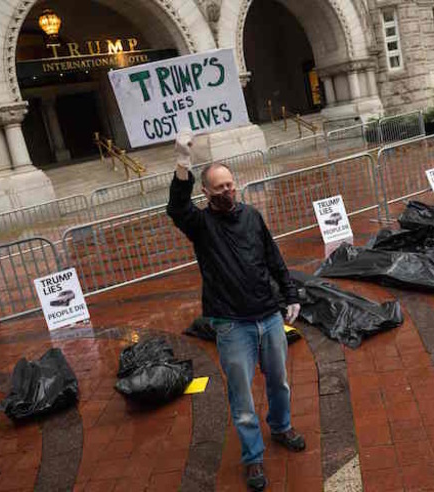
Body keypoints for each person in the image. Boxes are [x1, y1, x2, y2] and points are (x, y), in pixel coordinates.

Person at [167, 130, 305, 491]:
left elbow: (273, 258)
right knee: (242, 399)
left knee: (279, 382)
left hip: (269, 316)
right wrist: (183, 162)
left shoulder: (252, 216)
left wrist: (290, 294)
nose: (228, 191)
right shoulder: (201, 225)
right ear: (207, 193)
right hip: (232, 326)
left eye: (230, 184)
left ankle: (281, 427)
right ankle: (253, 458)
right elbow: (176, 209)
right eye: (219, 188)